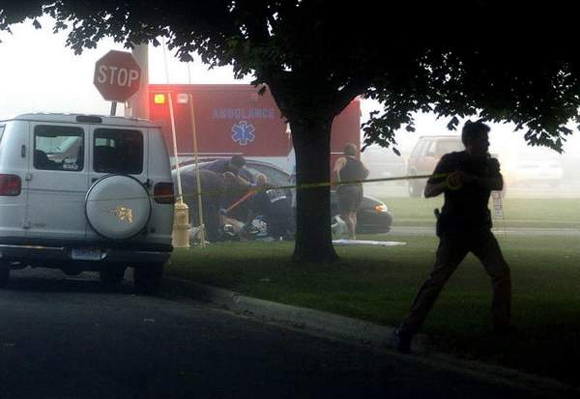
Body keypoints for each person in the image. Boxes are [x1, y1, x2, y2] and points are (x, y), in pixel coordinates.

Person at [394, 120, 511, 354]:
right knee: (436, 281)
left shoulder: (489, 163)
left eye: (487, 139)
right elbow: (429, 191)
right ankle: (406, 330)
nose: (487, 143)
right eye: (483, 139)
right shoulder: (450, 161)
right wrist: (447, 182)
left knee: (501, 274)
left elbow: (498, 184)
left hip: (480, 230)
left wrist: (471, 180)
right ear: (470, 141)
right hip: (454, 231)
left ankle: (501, 327)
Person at [333, 143, 370, 239]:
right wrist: (361, 179)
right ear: (355, 152)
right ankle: (352, 235)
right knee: (353, 214)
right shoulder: (359, 162)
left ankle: (351, 236)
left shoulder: (342, 160)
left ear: (344, 151)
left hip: (347, 189)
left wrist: (338, 183)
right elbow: (367, 171)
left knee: (345, 215)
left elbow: (335, 171)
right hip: (359, 188)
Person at [247, 173, 295, 241]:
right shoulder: (277, 189)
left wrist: (246, 226)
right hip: (290, 220)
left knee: (256, 221)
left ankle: (268, 237)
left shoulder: (260, 193)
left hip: (275, 223)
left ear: (257, 184)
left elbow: (251, 214)